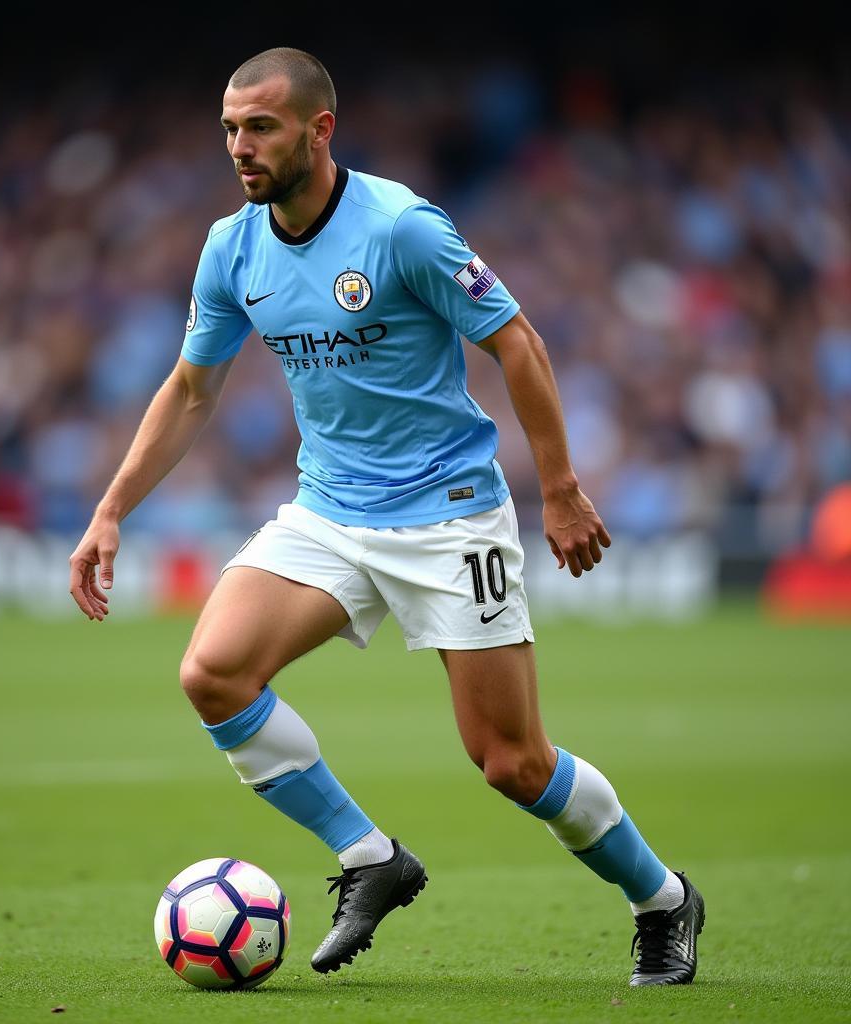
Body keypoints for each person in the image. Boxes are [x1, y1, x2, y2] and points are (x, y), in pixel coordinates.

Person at [68, 47, 704, 986]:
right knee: (213, 673)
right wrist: (111, 508)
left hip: (449, 515)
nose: (240, 148)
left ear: (320, 130)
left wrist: (559, 487)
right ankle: (371, 859)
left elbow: (517, 343)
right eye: (230, 131)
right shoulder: (231, 246)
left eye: (262, 128)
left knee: (512, 764)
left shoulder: (402, 228)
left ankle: (663, 899)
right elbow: (193, 390)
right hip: (329, 511)